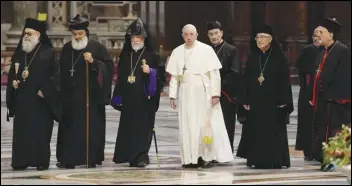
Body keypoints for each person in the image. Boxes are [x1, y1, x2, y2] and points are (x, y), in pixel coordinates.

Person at [166, 24, 233, 168]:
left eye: (191, 34)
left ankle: (205, 157)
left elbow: (215, 75)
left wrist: (215, 94)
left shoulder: (206, 50)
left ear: (196, 35)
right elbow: (174, 76)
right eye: (186, 34)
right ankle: (190, 158)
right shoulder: (177, 52)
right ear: (182, 35)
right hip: (185, 94)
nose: (189, 37)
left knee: (204, 125)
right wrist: (172, 95)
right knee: (187, 125)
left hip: (204, 93)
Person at [56, 14, 114, 169]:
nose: (77, 36)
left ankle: (91, 158)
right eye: (74, 34)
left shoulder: (96, 48)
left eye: (80, 34)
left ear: (86, 33)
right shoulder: (67, 48)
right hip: (70, 99)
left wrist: (94, 62)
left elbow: (108, 68)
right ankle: (68, 158)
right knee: (69, 129)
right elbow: (60, 71)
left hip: (91, 98)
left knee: (90, 129)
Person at [6, 18, 60, 171]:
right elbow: (13, 74)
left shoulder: (48, 52)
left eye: (29, 33)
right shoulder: (20, 52)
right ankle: (20, 161)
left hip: (40, 102)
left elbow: (56, 76)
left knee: (40, 133)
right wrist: (13, 83)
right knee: (22, 133)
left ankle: (40, 161)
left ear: (38, 34)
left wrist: (46, 90)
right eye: (25, 34)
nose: (26, 36)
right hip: (23, 100)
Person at [110, 18, 164, 167]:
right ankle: (127, 155)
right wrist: (118, 97)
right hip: (128, 99)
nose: (135, 40)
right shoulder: (126, 56)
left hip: (144, 99)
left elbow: (161, 77)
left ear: (144, 39)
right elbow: (120, 78)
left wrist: (151, 72)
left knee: (142, 128)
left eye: (138, 37)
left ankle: (141, 157)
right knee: (128, 128)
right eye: (133, 37)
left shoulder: (153, 56)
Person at [238, 24, 293, 169]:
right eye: (257, 37)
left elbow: (285, 81)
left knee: (273, 131)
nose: (259, 40)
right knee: (256, 131)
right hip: (256, 102)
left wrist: (283, 100)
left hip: (273, 103)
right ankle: (256, 159)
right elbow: (245, 79)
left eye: (263, 37)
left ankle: (275, 160)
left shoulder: (279, 58)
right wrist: (244, 99)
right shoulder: (253, 57)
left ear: (270, 39)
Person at [309, 17, 351, 167]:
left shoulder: (342, 50)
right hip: (323, 98)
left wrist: (337, 97)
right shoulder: (322, 50)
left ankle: (335, 160)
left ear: (331, 35)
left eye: (322, 32)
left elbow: (344, 76)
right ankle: (323, 157)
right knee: (322, 129)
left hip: (336, 100)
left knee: (335, 131)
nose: (318, 35)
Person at [205, 21, 241, 153]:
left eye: (216, 33)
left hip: (225, 94)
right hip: (208, 93)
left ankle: (226, 152)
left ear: (221, 33)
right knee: (210, 125)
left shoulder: (231, 50)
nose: (214, 36)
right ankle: (211, 152)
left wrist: (217, 86)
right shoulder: (205, 50)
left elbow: (235, 72)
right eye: (211, 34)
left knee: (226, 124)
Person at [294, 28, 323, 160]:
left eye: (318, 36)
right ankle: (308, 151)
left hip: (322, 93)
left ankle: (319, 151)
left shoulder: (329, 51)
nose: (316, 39)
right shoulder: (308, 50)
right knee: (306, 122)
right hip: (307, 92)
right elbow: (302, 70)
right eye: (314, 36)